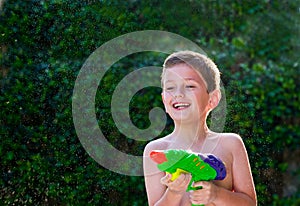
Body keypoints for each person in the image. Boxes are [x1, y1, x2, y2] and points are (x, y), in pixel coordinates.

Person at [143, 51, 257, 206]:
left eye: (190, 86)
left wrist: (216, 194)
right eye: (170, 87)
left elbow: (249, 203)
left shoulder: (230, 144)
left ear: (212, 99)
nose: (179, 94)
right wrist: (174, 192)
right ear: (164, 99)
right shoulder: (156, 151)